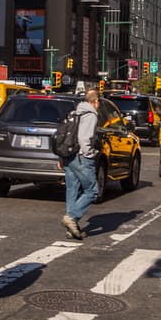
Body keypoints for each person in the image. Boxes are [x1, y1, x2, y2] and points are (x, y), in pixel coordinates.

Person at [61, 89, 101, 241]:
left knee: (72, 189)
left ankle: (72, 228)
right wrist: (90, 153)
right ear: (95, 101)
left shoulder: (75, 112)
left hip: (69, 156)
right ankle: (72, 217)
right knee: (92, 191)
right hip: (82, 157)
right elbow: (85, 138)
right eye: (99, 102)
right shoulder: (90, 115)